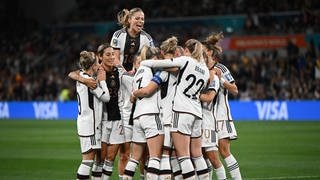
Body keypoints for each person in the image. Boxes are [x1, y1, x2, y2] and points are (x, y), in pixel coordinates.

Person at [140, 39, 210, 179]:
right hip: (197, 112)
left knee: (183, 156)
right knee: (197, 155)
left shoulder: (185, 61)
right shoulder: (205, 70)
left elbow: (156, 64)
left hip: (181, 111)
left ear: (186, 50)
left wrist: (142, 62)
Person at [203, 32, 242, 180]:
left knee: (224, 151)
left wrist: (221, 80)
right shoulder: (201, 68)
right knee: (207, 154)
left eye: (203, 50)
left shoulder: (221, 68)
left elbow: (235, 90)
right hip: (206, 117)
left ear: (210, 52)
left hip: (220, 115)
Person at [123, 45, 164, 180]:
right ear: (155, 58)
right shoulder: (155, 70)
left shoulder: (139, 71)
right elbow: (147, 91)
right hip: (151, 115)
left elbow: (132, 97)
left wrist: (135, 93)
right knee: (154, 157)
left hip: (137, 118)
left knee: (134, 158)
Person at [75, 50, 110, 180]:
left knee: (95, 160)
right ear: (93, 65)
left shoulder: (82, 77)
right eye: (97, 63)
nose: (99, 65)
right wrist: (103, 81)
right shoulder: (90, 81)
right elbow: (106, 97)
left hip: (85, 123)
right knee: (87, 161)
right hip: (90, 125)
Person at [201, 36, 227, 180]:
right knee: (201, 157)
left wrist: (193, 94)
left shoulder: (215, 75)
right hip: (196, 120)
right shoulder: (202, 71)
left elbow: (210, 97)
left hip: (207, 121)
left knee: (213, 159)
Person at [110, 8, 154, 72]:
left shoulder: (147, 38)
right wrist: (124, 73)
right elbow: (115, 58)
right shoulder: (118, 35)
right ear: (129, 20)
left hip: (138, 73)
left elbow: (152, 58)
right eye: (137, 18)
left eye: (142, 19)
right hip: (119, 72)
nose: (140, 21)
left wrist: (136, 70)